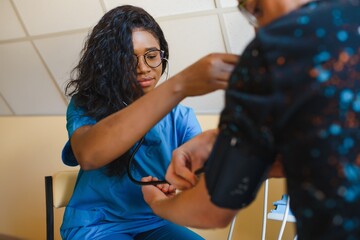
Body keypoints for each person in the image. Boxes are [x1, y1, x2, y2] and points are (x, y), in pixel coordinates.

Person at [142, 0, 360, 239]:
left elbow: (213, 209)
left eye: (252, 12)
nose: (256, 29)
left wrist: (158, 204)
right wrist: (220, 139)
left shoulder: (274, 49)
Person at [60, 5, 238, 240]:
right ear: (109, 65)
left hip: (154, 221)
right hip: (97, 224)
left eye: (152, 56)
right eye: (128, 59)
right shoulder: (86, 105)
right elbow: (89, 155)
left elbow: (204, 178)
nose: (143, 68)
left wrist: (179, 187)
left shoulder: (181, 117)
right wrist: (180, 85)